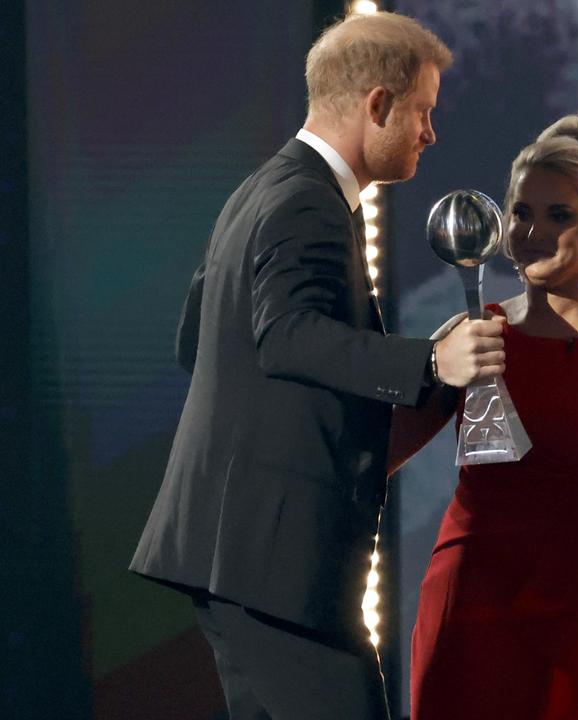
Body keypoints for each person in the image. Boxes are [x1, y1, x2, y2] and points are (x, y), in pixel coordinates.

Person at [129, 13, 507, 720]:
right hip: (275, 563)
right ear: (377, 104)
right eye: (423, 112)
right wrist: (431, 358)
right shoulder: (309, 202)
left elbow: (201, 341)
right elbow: (286, 336)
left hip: (238, 558)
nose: (430, 133)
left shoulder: (261, 190)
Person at [390, 114, 578, 719]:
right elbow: (380, 454)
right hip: (467, 608)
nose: (533, 231)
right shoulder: (474, 330)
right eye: (521, 213)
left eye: (559, 215)